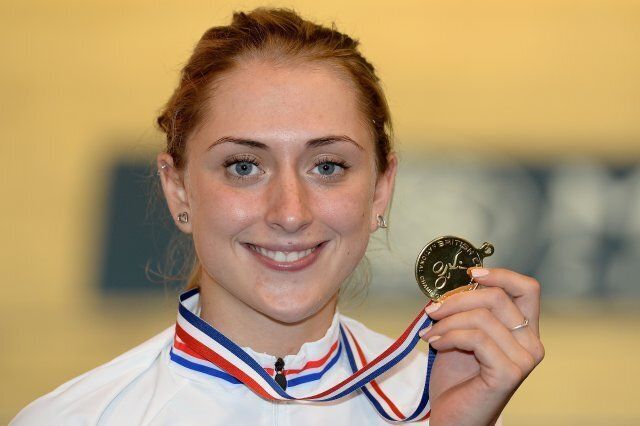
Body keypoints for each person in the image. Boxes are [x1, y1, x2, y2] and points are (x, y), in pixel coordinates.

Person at [12, 7, 544, 425]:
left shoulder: (439, 400)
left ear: (381, 190)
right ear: (178, 188)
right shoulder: (76, 419)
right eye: (244, 166)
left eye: (328, 165)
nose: (290, 213)